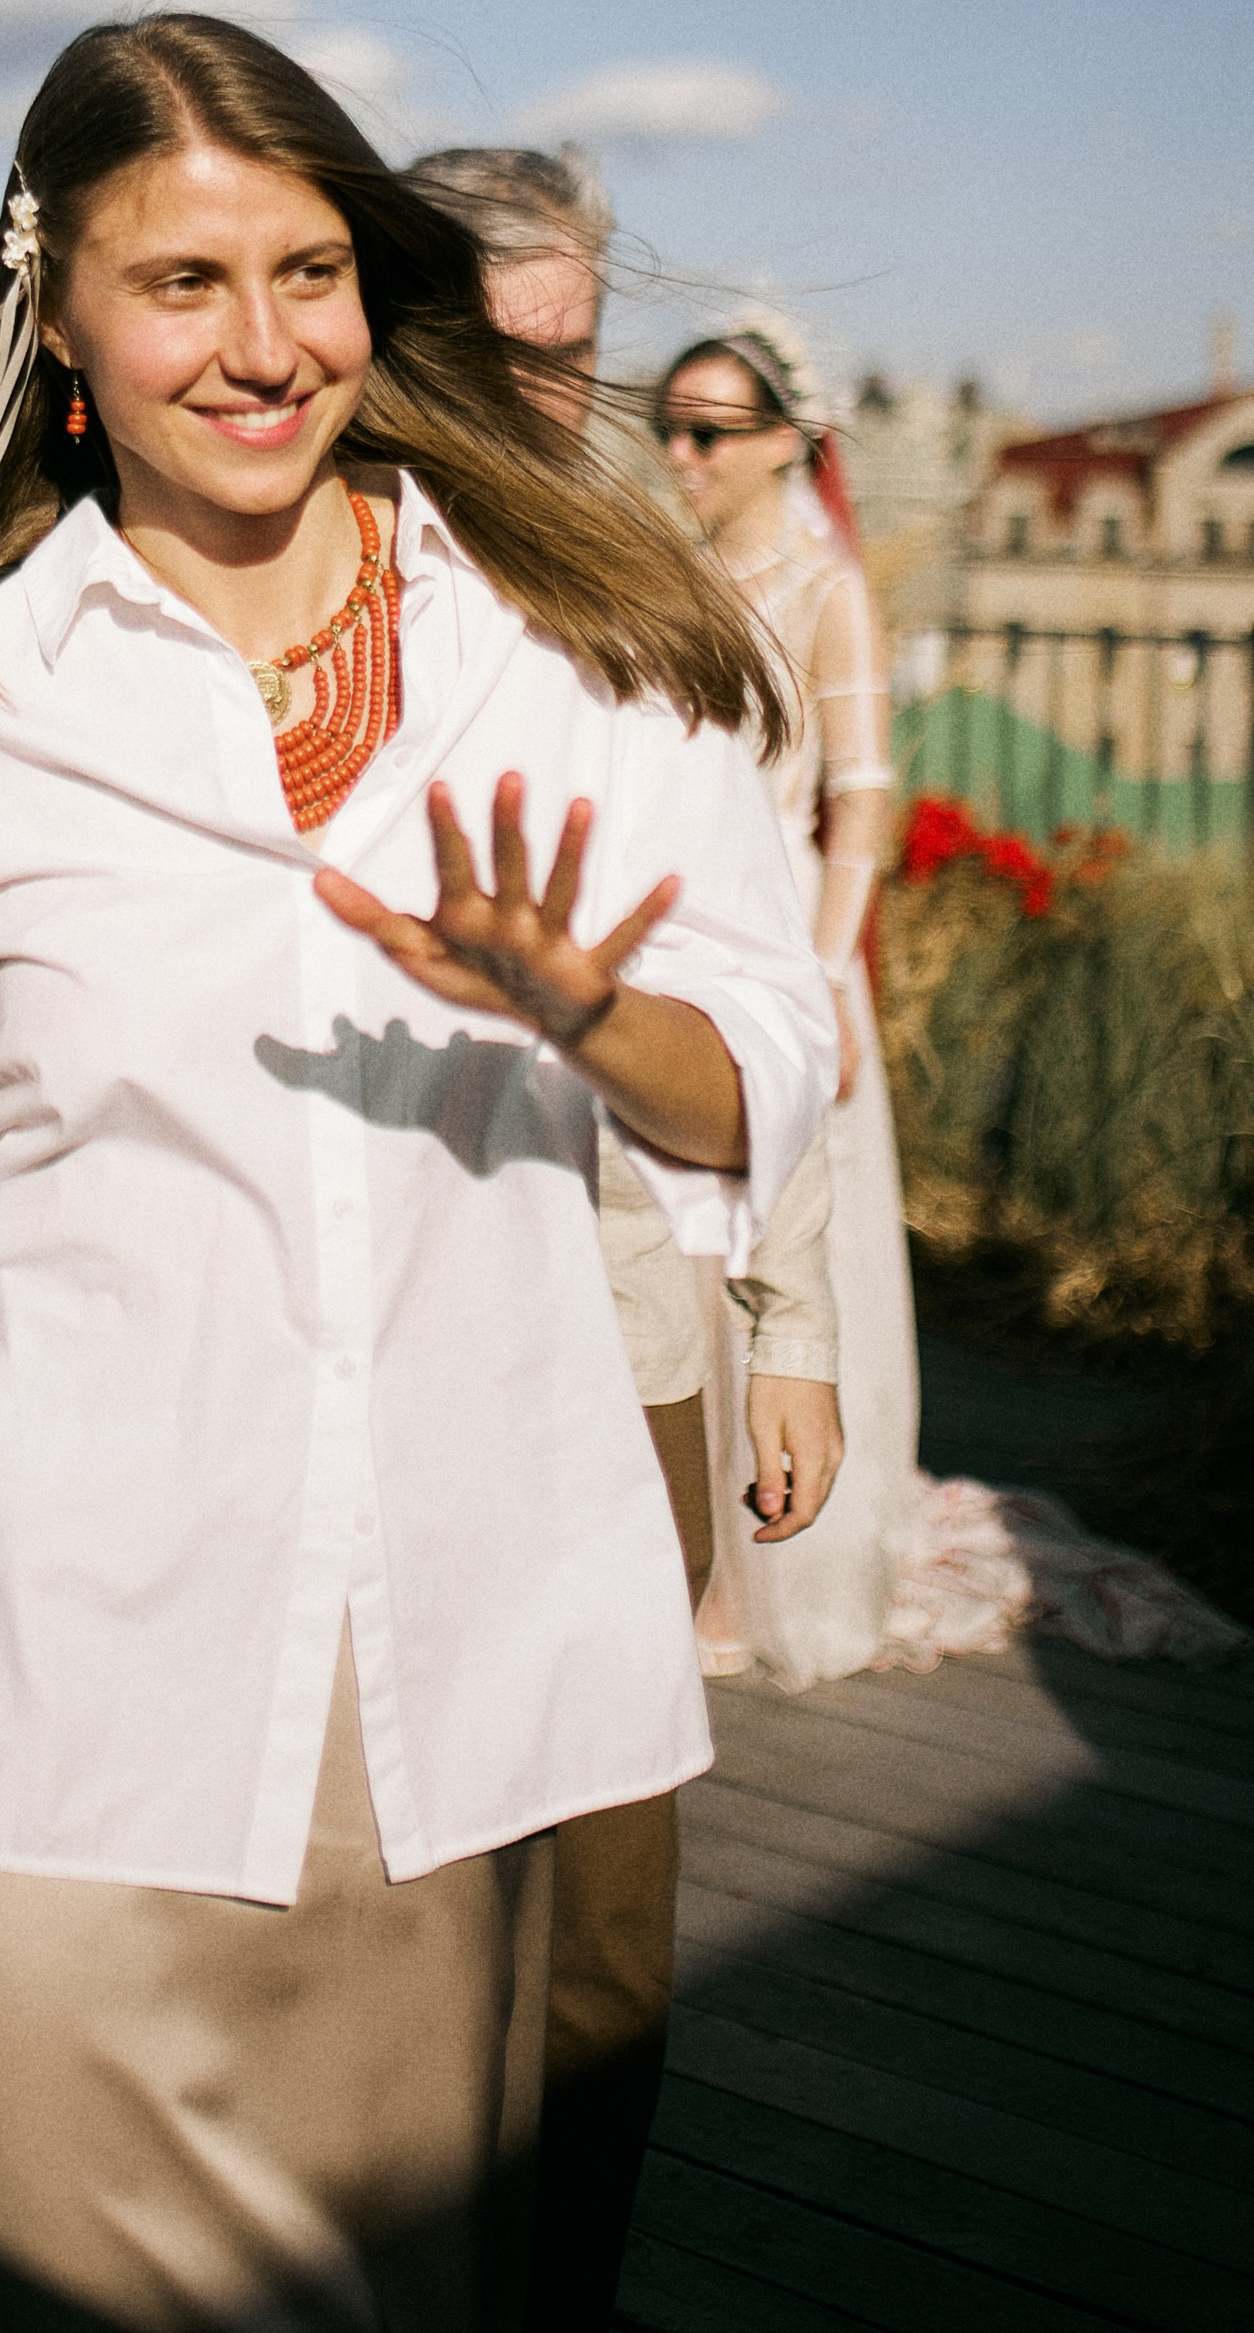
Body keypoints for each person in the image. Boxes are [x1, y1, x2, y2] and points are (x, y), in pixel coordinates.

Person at [0, 17, 838, 2333]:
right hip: (51, 1691)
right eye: (183, 280)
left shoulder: (578, 653)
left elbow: (767, 1076)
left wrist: (584, 1013)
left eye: (308, 270)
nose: (263, 344)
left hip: (449, 1692)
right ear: (59, 329)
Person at [406, 154, 840, 2333]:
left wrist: (791, 1317)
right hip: (373, 1337)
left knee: (596, 1885)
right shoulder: (304, 586)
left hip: (614, 1320)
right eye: (509, 336)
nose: (552, 383)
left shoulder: (659, 613)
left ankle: (557, 2284)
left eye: (579, 337)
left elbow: (777, 1001)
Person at [655, 322, 959, 1692]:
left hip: (784, 931)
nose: (682, 453)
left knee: (782, 1247)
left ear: (787, 438)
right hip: (679, 925)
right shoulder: (671, 572)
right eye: (670, 423)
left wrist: (830, 972)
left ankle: (772, 1571)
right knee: (682, 1249)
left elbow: (865, 797)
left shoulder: (830, 586)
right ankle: (686, 1551)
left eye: (709, 429)